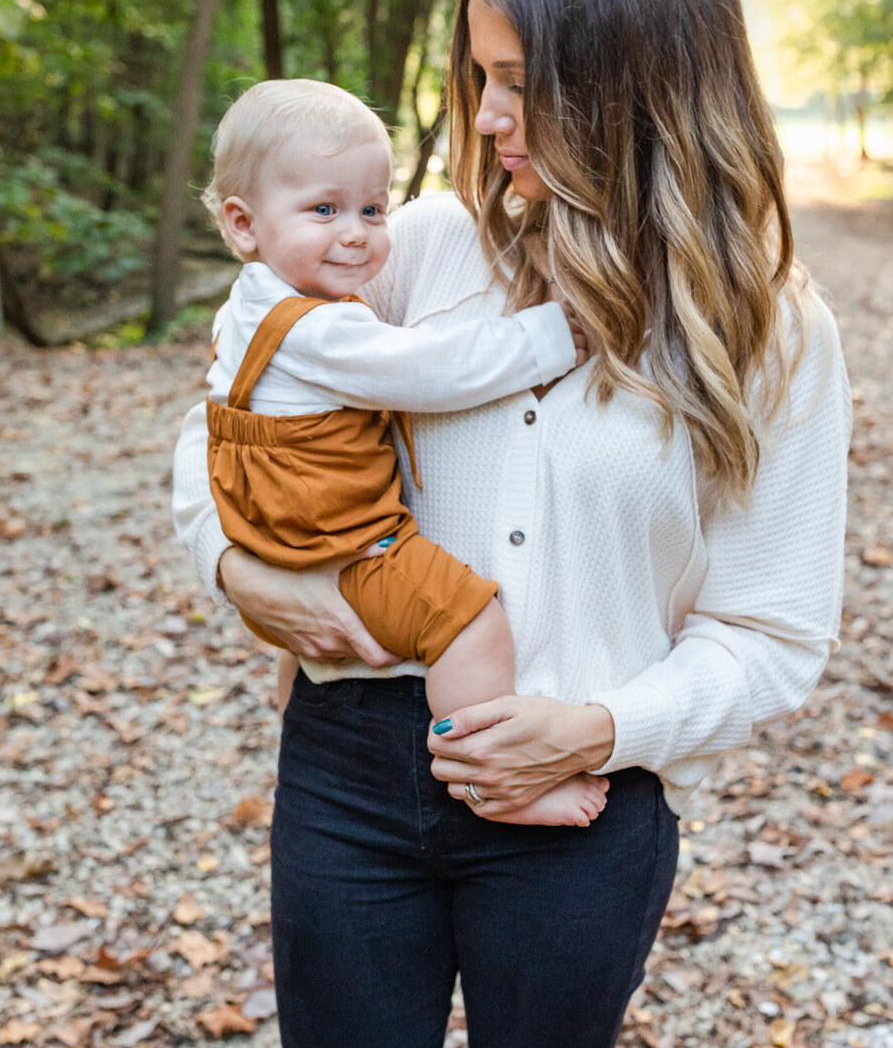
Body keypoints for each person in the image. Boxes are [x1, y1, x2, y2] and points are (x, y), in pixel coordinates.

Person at [172, 0, 852, 1048]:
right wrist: (243, 577)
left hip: (580, 816)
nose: (484, 120)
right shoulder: (417, 249)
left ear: (637, 82)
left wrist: (598, 724)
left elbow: (776, 631)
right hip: (352, 782)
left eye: (518, 86)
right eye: (479, 79)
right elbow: (230, 414)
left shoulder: (770, 325)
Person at [200, 76, 605, 826]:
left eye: (372, 209)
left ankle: (298, 712)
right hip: (348, 542)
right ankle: (486, 778)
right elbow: (432, 369)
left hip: (278, 531)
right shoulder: (322, 330)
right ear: (243, 223)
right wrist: (549, 336)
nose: (355, 231)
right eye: (324, 210)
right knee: (468, 621)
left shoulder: (250, 308)